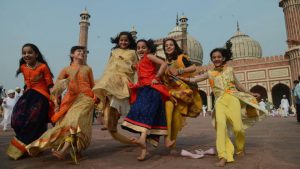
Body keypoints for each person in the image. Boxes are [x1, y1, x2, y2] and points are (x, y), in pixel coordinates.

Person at [180, 41, 266, 167]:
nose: (216, 59)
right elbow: (195, 79)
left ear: (223, 58)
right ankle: (223, 155)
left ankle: (240, 147)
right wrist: (182, 77)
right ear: (211, 60)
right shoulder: (209, 73)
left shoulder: (230, 70)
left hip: (233, 99)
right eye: (214, 57)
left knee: (238, 128)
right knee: (221, 127)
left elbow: (239, 85)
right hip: (220, 101)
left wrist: (250, 93)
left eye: (219, 57)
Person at [26, 46, 98, 164]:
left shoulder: (88, 69)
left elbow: (92, 84)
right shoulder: (66, 69)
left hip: (86, 98)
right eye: (78, 51)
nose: (81, 53)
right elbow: (57, 88)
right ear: (72, 55)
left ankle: (64, 150)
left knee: (74, 121)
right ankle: (76, 152)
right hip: (70, 100)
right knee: (72, 125)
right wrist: (56, 102)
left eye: (83, 52)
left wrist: (96, 97)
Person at [121, 39, 171, 160]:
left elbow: (164, 63)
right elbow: (136, 69)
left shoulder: (149, 56)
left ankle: (143, 141)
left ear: (148, 49)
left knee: (146, 115)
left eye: (143, 47)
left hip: (153, 89)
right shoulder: (139, 62)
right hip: (143, 89)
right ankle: (143, 148)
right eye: (138, 48)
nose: (140, 50)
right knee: (141, 115)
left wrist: (157, 76)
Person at [7, 43, 54, 160]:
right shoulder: (23, 67)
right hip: (28, 95)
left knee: (34, 122)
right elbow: (26, 83)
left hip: (41, 97)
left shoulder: (43, 67)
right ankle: (27, 145)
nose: (26, 55)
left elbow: (50, 85)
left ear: (36, 54)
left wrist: (54, 99)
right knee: (16, 119)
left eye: (29, 52)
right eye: (24, 53)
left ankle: (30, 148)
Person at [93, 31, 137, 144]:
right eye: (121, 40)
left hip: (123, 80)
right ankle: (128, 139)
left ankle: (113, 120)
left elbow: (135, 68)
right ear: (118, 41)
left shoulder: (133, 52)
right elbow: (108, 66)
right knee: (108, 105)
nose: (123, 42)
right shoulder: (113, 51)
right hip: (111, 78)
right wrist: (104, 79)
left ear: (130, 41)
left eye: (126, 40)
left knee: (116, 104)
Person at [161, 38, 202, 149]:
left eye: (171, 45)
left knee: (176, 119)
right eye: (166, 46)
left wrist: (180, 71)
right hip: (170, 92)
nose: (168, 47)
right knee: (168, 112)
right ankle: (167, 139)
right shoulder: (164, 62)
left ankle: (171, 144)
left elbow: (193, 67)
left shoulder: (181, 58)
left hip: (181, 93)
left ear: (175, 47)